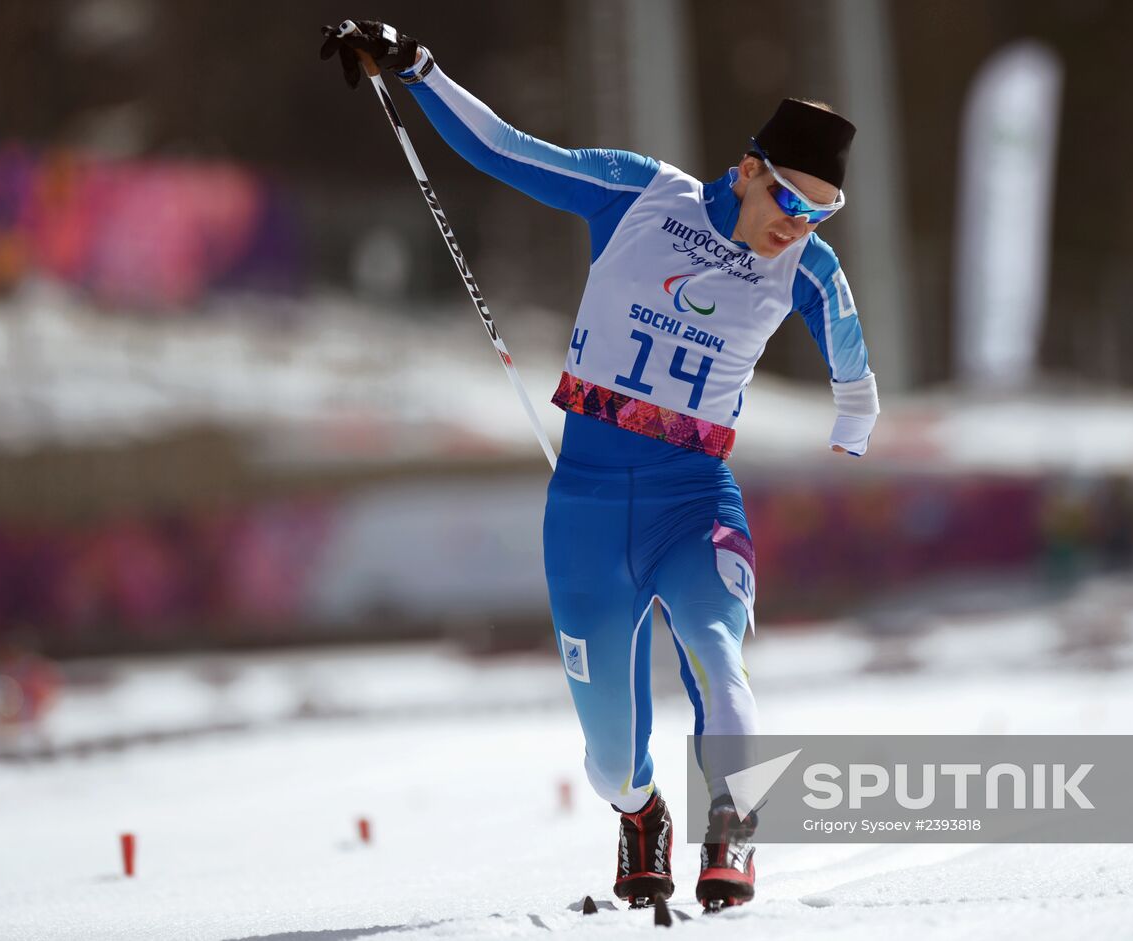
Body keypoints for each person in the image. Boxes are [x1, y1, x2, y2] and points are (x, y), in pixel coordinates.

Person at [321, 20, 879, 910]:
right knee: (609, 755)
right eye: (787, 200)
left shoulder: (806, 269)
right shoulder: (640, 196)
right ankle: (642, 811)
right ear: (746, 168)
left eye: (820, 214)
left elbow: (857, 381)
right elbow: (507, 151)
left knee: (716, 652)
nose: (796, 226)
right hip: (583, 506)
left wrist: (853, 422)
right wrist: (417, 66)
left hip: (693, 498)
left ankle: (731, 826)